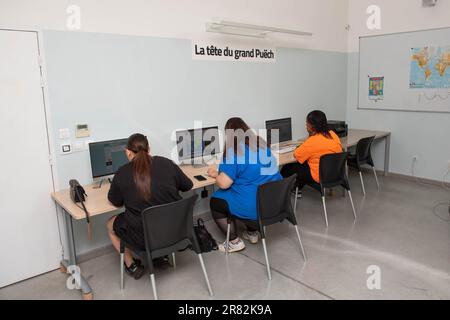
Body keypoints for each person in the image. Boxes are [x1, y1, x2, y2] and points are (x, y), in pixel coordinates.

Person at [107, 133, 193, 279]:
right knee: (158, 214)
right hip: (176, 231)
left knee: (110, 224)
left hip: (144, 239)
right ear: (149, 149)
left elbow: (115, 202)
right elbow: (188, 186)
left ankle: (131, 265)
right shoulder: (167, 163)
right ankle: (161, 257)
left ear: (127, 153)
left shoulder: (122, 173)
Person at [207, 117, 282, 253]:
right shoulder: (261, 144)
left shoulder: (233, 152)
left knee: (215, 201)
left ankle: (234, 241)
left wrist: (214, 174)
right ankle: (252, 233)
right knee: (251, 188)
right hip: (273, 202)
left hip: (254, 206)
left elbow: (224, 184)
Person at [281, 110, 342, 190]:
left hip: (319, 176)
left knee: (286, 168)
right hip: (335, 173)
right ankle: (298, 189)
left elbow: (296, 154)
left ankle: (285, 193)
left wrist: (306, 140)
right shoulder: (333, 134)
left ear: (313, 126)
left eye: (307, 123)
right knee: (304, 164)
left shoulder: (312, 141)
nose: (306, 125)